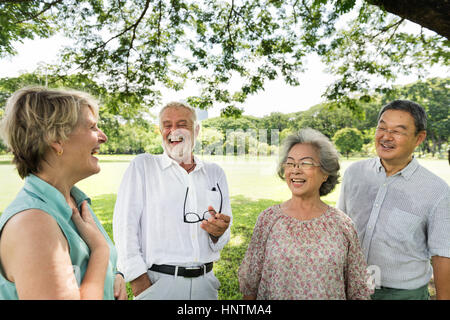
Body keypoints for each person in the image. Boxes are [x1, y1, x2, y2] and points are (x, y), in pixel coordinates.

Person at [0, 87, 127, 300]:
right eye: (92, 127)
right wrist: (100, 252)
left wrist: (113, 275)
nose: (103, 137)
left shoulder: (75, 202)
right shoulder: (32, 223)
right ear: (56, 139)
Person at [113, 101, 232, 300]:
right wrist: (138, 280)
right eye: (167, 125)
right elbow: (125, 226)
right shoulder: (143, 166)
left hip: (206, 285)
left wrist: (218, 234)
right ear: (161, 131)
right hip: (158, 284)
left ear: (196, 130)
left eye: (182, 124)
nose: (173, 131)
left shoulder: (215, 173)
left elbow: (224, 233)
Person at [238, 128, 372, 300]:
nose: (296, 170)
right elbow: (250, 286)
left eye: (306, 163)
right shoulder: (268, 219)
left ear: (325, 172)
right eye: (290, 163)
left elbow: (358, 289)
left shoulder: (342, 224)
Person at [338, 100, 450, 300]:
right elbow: (340, 231)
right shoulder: (354, 173)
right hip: (350, 287)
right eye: (382, 128)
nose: (386, 137)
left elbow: (442, 255)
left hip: (403, 294)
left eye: (398, 131)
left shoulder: (437, 190)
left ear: (419, 138)